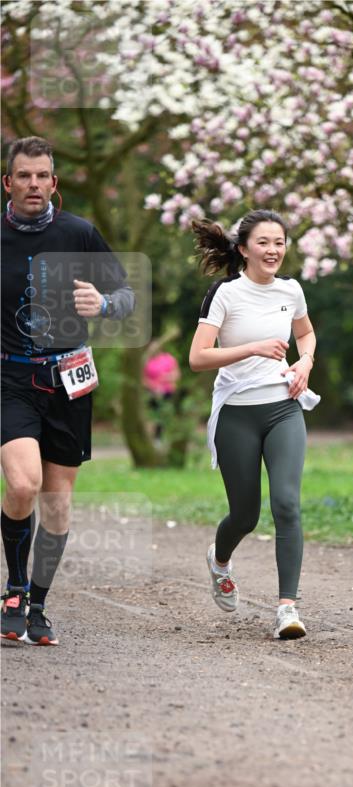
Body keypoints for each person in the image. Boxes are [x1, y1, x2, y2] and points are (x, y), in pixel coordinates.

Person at [1, 136, 135, 644]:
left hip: (68, 380)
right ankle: (13, 587)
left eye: (42, 176)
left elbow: (126, 296)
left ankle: (37, 605)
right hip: (9, 377)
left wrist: (103, 304)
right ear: (8, 182)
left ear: (54, 183)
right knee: (21, 484)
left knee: (57, 506)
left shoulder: (79, 233)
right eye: (23, 175)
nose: (33, 184)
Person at [189, 209, 319, 639]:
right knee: (244, 515)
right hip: (237, 414)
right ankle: (220, 560)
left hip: (283, 407)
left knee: (286, 504)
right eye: (264, 242)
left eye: (279, 242)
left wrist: (305, 363)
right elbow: (198, 357)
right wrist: (251, 348)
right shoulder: (225, 294)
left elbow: (306, 333)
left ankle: (287, 608)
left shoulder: (291, 290)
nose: (273, 249)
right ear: (244, 249)